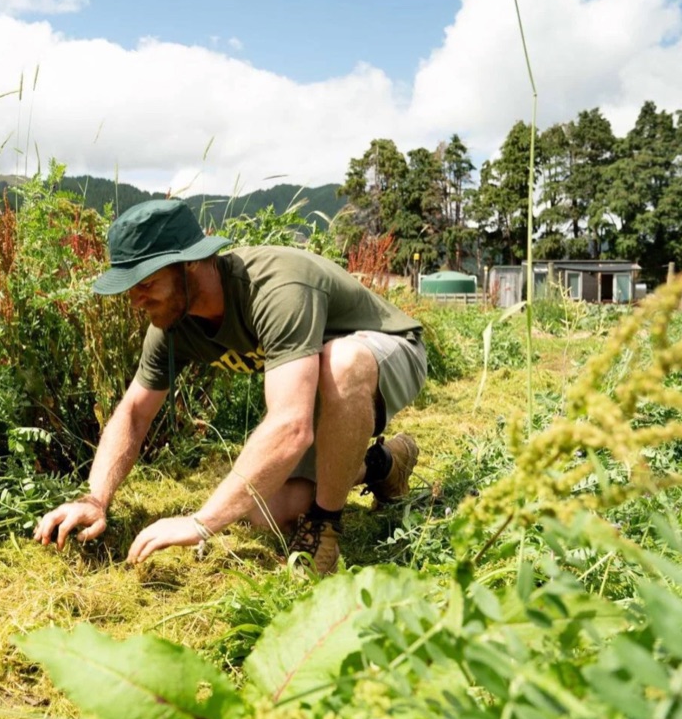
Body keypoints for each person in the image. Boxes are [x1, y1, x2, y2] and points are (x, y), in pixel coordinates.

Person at [33, 199, 426, 573]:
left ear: (190, 265)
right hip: (320, 382)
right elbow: (135, 413)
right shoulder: (173, 322)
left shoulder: (276, 289)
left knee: (340, 360)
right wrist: (95, 498)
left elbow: (291, 426)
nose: (135, 300)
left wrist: (200, 523)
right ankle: (383, 464)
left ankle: (323, 528)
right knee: (265, 511)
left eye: (146, 283)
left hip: (386, 352)